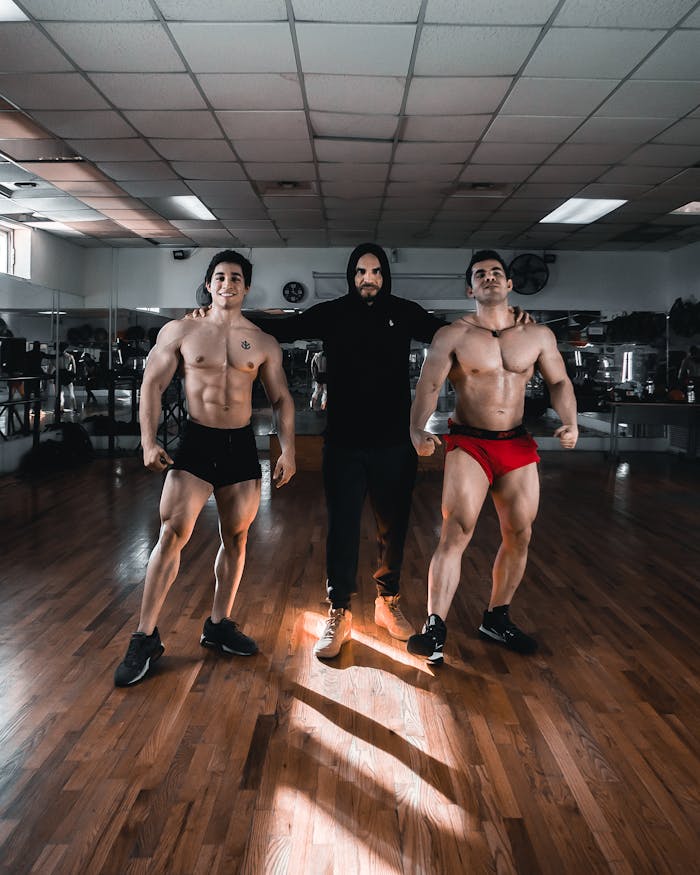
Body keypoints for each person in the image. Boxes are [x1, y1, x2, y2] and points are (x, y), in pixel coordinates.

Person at [193, 244, 528, 659]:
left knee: (394, 527)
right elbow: (283, 329)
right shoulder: (333, 313)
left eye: (375, 272)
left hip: (394, 443)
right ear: (352, 275)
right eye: (361, 272)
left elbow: (451, 330)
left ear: (385, 275)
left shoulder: (404, 312)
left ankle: (387, 604)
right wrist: (217, 317)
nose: (368, 278)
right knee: (343, 528)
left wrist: (507, 323)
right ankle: (340, 609)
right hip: (344, 443)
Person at [114, 250, 296, 686]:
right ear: (209, 284)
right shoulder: (182, 330)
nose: (227, 283)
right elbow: (152, 384)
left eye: (235, 277)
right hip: (196, 442)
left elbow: (281, 399)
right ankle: (145, 635)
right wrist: (148, 440)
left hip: (240, 446)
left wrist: (287, 449)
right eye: (219, 277)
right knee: (171, 534)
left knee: (235, 537)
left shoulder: (263, 341)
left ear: (246, 286)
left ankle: (219, 624)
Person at [407, 250, 578, 665]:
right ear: (470, 287)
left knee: (519, 533)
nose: (489, 278)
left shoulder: (537, 336)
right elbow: (429, 386)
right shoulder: (453, 335)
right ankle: (435, 626)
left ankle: (497, 617)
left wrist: (570, 421)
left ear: (509, 283)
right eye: (480, 274)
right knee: (457, 530)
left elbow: (559, 381)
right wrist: (415, 428)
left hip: (516, 442)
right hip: (470, 442)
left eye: (496, 272)